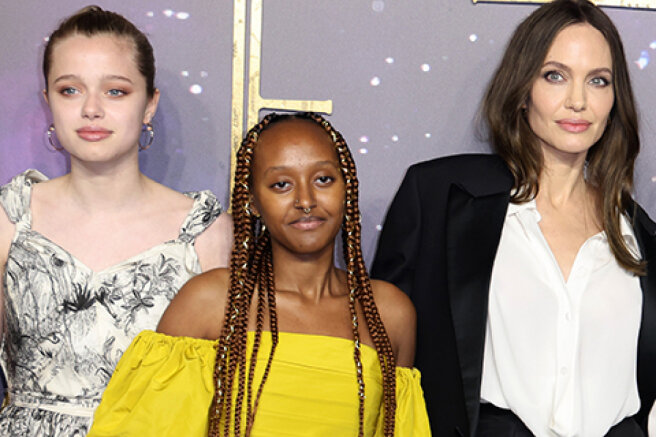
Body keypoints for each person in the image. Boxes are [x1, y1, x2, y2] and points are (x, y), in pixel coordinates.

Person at [371, 0, 656, 436]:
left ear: (614, 100)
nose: (578, 101)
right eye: (555, 75)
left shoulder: (641, 238)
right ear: (522, 88)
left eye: (598, 81)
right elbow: (384, 357)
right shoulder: (441, 198)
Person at [87, 112, 431, 437]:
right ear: (251, 201)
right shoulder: (211, 300)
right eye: (281, 184)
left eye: (323, 179)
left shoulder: (389, 313)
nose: (306, 200)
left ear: (347, 187)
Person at [0, 6, 233, 436]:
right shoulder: (12, 219)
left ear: (150, 105)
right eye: (70, 90)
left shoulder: (203, 232)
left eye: (116, 92)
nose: (91, 109)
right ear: (47, 101)